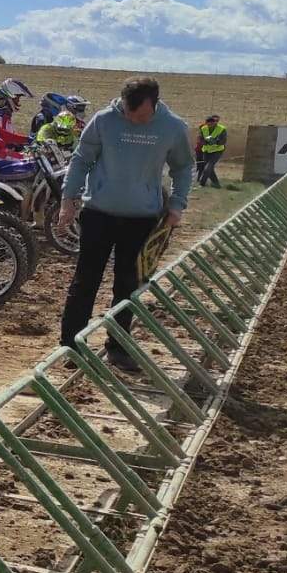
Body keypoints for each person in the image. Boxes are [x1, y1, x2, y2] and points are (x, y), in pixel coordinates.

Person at [56, 77, 193, 372]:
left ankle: (118, 347)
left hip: (142, 218)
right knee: (85, 281)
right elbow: (81, 160)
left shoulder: (172, 127)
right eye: (128, 113)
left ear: (154, 103)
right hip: (98, 213)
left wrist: (177, 205)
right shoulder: (104, 121)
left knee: (128, 284)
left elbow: (183, 167)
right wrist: (68, 200)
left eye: (140, 115)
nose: (133, 119)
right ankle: (71, 346)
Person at [195, 114, 228, 188]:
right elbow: (200, 139)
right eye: (208, 122)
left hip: (217, 151)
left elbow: (223, 141)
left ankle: (202, 184)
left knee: (207, 168)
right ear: (206, 123)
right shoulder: (203, 128)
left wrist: (215, 142)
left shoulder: (222, 129)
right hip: (206, 151)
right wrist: (206, 142)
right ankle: (216, 184)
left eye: (212, 122)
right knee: (210, 169)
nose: (210, 124)